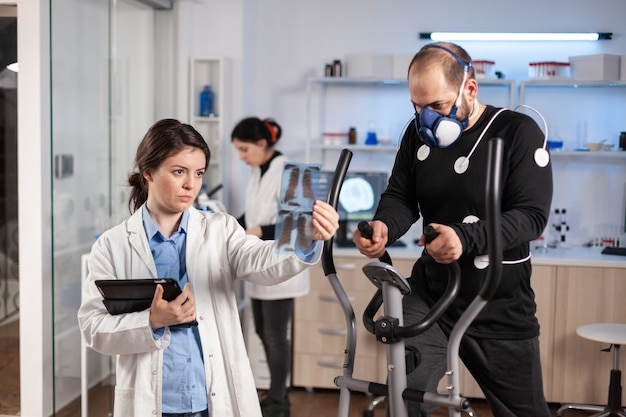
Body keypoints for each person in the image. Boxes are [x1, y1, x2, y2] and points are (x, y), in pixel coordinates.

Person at [77, 118, 339, 417]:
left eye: (198, 173)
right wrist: (151, 320)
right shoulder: (113, 245)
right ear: (148, 172)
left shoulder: (221, 229)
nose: (191, 184)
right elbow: (92, 328)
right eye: (179, 172)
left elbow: (261, 260)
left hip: (213, 400)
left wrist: (307, 236)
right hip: (152, 403)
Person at [353, 42, 553, 417]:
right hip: (432, 294)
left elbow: (531, 216)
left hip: (496, 300)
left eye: (438, 107)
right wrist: (384, 226)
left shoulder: (517, 132)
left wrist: (465, 238)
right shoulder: (416, 136)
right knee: (408, 398)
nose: (426, 119)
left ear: (470, 89)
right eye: (417, 107)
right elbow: (400, 196)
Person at [230, 117, 305, 417]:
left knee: (275, 334)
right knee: (262, 329)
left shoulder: (294, 172)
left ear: (262, 144)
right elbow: (254, 213)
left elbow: (299, 225)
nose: (241, 156)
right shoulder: (258, 170)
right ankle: (274, 394)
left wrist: (259, 230)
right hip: (258, 264)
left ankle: (279, 400)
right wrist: (228, 225)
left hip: (281, 267)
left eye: (244, 149)